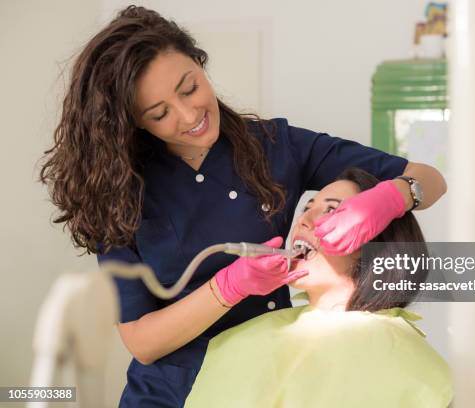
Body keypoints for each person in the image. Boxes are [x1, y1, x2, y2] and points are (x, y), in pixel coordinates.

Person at [38, 5, 447, 407]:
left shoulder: (276, 148)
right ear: (134, 123)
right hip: (171, 395)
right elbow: (141, 342)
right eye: (159, 113)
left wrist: (395, 195)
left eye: (190, 87)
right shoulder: (117, 192)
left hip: (271, 379)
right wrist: (227, 288)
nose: (188, 115)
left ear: (200, 63)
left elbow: (431, 178)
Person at [185, 168, 453, 407]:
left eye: (331, 210)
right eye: (306, 209)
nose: (304, 220)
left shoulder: (402, 362)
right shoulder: (244, 340)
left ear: (372, 241)